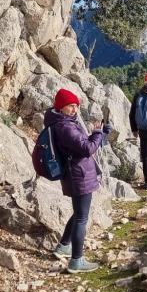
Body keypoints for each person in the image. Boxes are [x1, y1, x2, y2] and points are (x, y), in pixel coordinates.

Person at [46, 88, 111, 273]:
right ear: (61, 107)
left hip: (77, 173)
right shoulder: (64, 126)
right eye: (70, 106)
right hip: (79, 175)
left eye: (76, 106)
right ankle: (76, 260)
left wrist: (101, 132)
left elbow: (83, 145)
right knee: (82, 218)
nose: (74, 110)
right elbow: (87, 148)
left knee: (78, 214)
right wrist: (98, 134)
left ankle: (64, 245)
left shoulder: (64, 122)